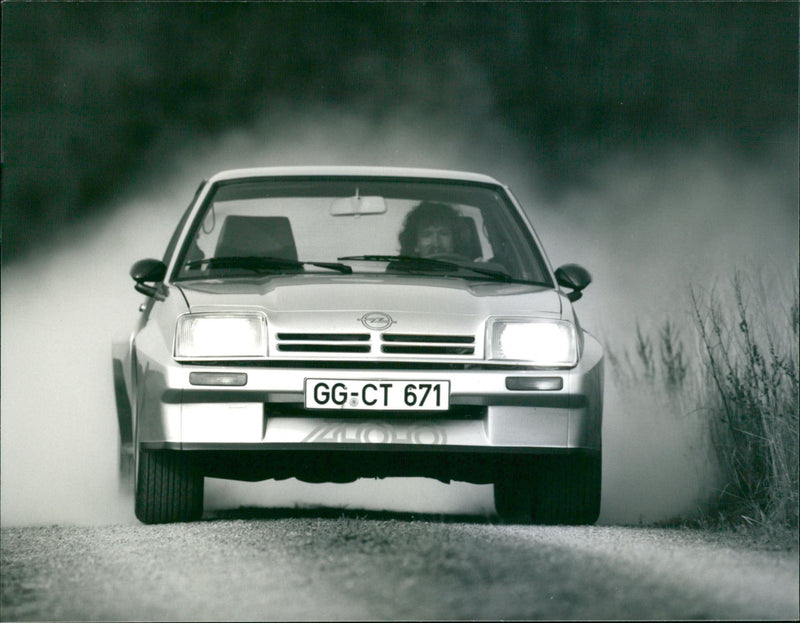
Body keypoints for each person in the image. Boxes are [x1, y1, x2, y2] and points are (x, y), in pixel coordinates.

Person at [398, 202, 463, 258]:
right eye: (427, 235)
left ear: (454, 239)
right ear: (415, 244)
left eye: (443, 233)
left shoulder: (468, 270)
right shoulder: (399, 271)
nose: (436, 243)